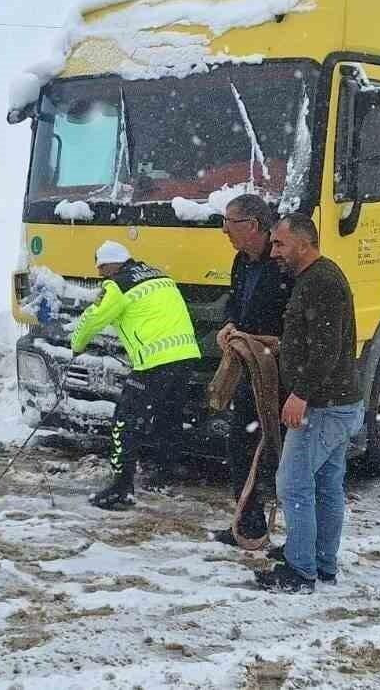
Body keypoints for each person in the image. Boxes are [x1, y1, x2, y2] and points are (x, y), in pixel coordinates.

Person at [255, 214, 365, 593]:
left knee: (293, 484)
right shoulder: (315, 279)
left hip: (322, 405)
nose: (274, 252)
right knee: (325, 484)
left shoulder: (322, 281)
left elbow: (326, 348)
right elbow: (313, 341)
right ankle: (321, 562)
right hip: (335, 401)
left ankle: (300, 572)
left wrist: (300, 393)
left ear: (304, 244)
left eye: (280, 244)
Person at [70, 241, 202, 510]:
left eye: (101, 270)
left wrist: (76, 344)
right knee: (168, 416)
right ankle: (165, 472)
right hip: (185, 356)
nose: (102, 276)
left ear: (107, 265)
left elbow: (94, 318)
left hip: (155, 362)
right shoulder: (159, 275)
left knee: (125, 420)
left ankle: (121, 487)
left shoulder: (117, 284)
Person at [211, 194, 294, 549]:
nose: (225, 231)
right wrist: (230, 324)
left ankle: (297, 538)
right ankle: (247, 525)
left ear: (254, 226)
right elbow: (235, 300)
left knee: (280, 451)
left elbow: (295, 316)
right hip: (248, 365)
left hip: (280, 369)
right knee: (239, 444)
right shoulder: (241, 261)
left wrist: (272, 341)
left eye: (231, 223)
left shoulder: (282, 264)